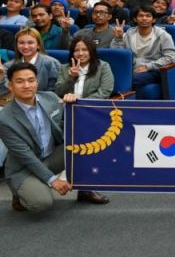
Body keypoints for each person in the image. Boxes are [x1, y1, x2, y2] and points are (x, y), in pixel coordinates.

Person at [0, 62, 109, 213]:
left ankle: (85, 189)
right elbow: (25, 156)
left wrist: (72, 104)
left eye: (31, 80)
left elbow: (68, 124)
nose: (26, 85)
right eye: (20, 81)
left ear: (37, 82)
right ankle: (20, 193)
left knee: (85, 144)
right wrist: (53, 181)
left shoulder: (50, 98)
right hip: (24, 167)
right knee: (41, 203)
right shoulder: (4, 118)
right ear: (10, 85)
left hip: (51, 157)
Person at [113, 6, 175, 92]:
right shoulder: (129, 33)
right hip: (131, 69)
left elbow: (171, 56)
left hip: (153, 70)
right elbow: (118, 55)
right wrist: (118, 39)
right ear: (135, 19)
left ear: (153, 19)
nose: (144, 18)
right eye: (141, 16)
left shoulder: (163, 35)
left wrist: (148, 66)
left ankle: (125, 99)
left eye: (148, 16)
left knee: (131, 80)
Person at [0, 28, 62, 95]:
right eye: (21, 43)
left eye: (30, 43)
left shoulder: (51, 63)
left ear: (38, 45)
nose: (25, 47)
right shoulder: (8, 66)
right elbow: (4, 93)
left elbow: (55, 92)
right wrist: (1, 77)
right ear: (16, 46)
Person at [54, 35, 114, 100]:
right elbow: (58, 92)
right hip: (68, 105)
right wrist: (71, 77)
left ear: (91, 51)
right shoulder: (64, 68)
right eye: (76, 50)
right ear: (72, 53)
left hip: (93, 105)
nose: (80, 53)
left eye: (85, 50)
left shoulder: (103, 67)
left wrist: (80, 102)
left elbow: (104, 92)